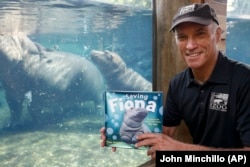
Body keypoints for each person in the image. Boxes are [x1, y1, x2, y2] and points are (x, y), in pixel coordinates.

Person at [100, 3, 250, 160]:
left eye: (200, 34)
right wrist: (119, 134)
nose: (190, 45)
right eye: (182, 37)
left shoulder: (245, 80)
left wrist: (180, 149)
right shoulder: (178, 84)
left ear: (218, 35)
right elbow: (162, 134)